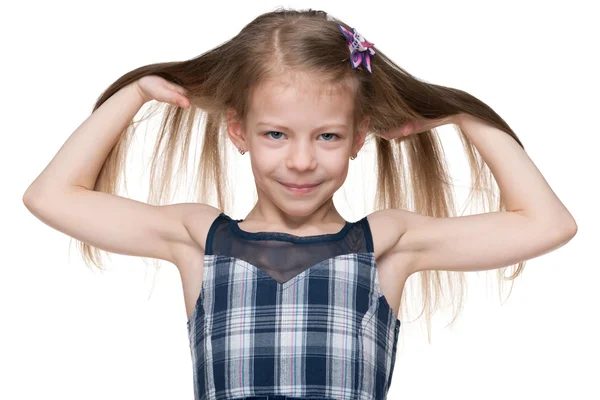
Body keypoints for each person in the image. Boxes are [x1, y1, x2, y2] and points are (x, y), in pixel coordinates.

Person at [22, 7, 577, 400]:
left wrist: (460, 113)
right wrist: (136, 92)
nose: (302, 162)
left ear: (362, 136)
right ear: (238, 130)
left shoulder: (386, 245)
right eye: (277, 135)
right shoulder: (201, 240)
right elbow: (50, 196)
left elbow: (547, 223)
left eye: (328, 136)